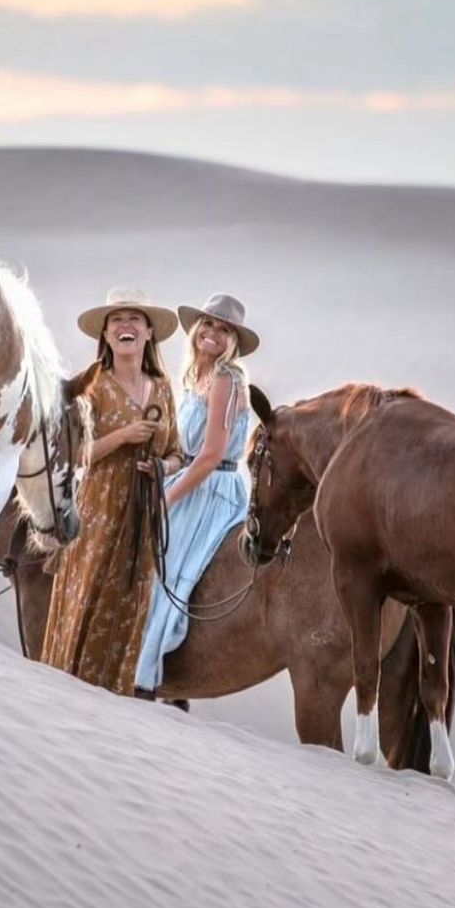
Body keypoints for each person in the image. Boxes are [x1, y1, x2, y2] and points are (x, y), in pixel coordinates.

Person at [41, 288, 183, 696]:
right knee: (84, 599)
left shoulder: (162, 388)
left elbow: (177, 454)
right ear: (105, 334)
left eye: (135, 319)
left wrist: (161, 467)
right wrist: (123, 436)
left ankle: (112, 700)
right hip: (98, 512)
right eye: (117, 320)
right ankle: (66, 692)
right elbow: (75, 454)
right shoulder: (94, 386)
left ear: (149, 332)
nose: (126, 326)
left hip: (141, 518)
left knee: (129, 604)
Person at [134, 294, 259, 695]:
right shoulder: (193, 378)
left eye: (224, 329)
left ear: (233, 341)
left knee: (165, 569)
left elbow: (211, 456)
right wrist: (162, 470)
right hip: (190, 477)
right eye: (208, 324)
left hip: (212, 488)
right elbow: (185, 452)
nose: (213, 333)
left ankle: (148, 670)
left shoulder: (226, 380)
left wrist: (167, 500)